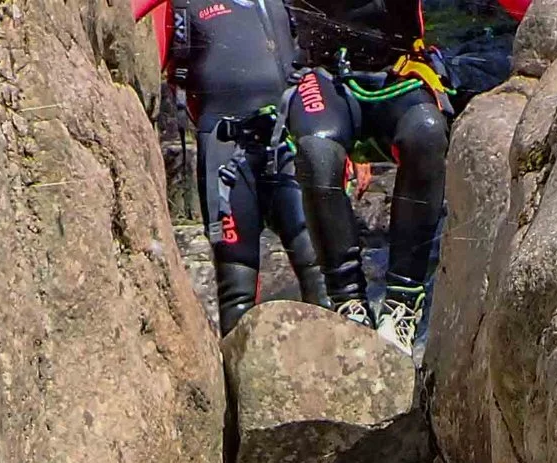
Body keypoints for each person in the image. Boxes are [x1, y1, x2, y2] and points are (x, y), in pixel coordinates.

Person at [283, 0, 449, 353]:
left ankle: (403, 303)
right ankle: (348, 304)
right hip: (326, 77)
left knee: (426, 133)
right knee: (317, 153)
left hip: (399, 73)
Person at [161, 0, 330, 333]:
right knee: (235, 278)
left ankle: (339, 369)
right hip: (225, 148)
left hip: (285, 141)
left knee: (317, 262)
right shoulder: (183, 6)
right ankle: (239, 379)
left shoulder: (283, 4)